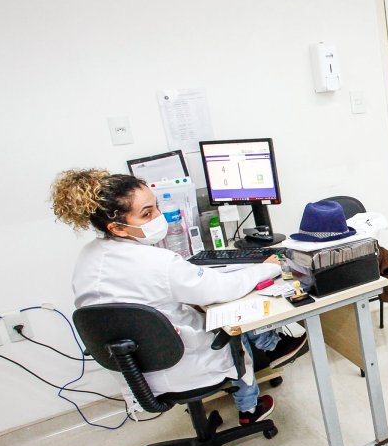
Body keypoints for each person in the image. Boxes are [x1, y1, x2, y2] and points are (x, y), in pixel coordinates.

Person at [50, 169, 308, 424]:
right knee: (231, 315)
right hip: (182, 363)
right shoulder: (158, 262)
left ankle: (271, 348)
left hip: (136, 371)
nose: (159, 217)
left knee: (201, 308)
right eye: (147, 213)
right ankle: (252, 405)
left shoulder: (87, 257)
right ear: (117, 227)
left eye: (156, 207)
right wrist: (269, 267)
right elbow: (223, 288)